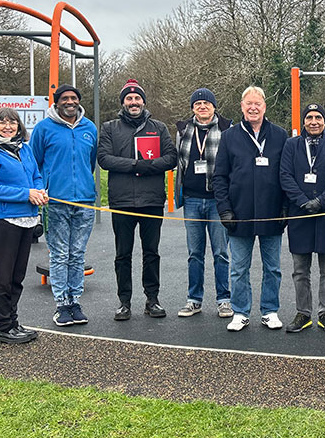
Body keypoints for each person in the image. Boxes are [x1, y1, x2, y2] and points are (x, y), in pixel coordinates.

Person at [97, 79, 177, 321]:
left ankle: (152, 299)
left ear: (144, 101)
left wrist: (148, 165)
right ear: (123, 102)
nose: (134, 102)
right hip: (122, 201)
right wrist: (135, 165)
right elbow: (104, 158)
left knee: (151, 252)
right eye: (129, 98)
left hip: (152, 200)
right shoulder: (110, 127)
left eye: (137, 98)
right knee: (123, 254)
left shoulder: (159, 127)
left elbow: (171, 158)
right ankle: (124, 302)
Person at [214, 86, 288, 332]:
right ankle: (240, 312)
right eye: (249, 103)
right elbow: (220, 177)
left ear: (265, 106)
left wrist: (285, 208)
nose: (253, 107)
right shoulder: (230, 136)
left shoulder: (280, 135)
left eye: (257, 103)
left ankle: (270, 310)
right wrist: (224, 209)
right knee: (238, 269)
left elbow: (287, 175)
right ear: (242, 106)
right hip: (240, 214)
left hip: (271, 212)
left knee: (273, 268)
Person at [0, 108, 47, 343]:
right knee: (3, 277)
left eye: (13, 122)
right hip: (3, 222)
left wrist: (38, 191)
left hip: (27, 220)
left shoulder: (24, 150)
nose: (8, 127)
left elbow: (36, 175)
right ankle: (2, 327)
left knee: (17, 277)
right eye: (3, 122)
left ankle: (13, 321)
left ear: (19, 125)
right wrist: (25, 194)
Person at [30, 84, 98, 327]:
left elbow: (89, 162)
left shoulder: (89, 128)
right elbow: (34, 162)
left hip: (85, 202)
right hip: (56, 202)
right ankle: (61, 305)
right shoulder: (44, 128)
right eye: (65, 98)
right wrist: (43, 189)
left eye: (74, 98)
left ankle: (75, 301)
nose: (70, 102)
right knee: (60, 255)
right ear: (56, 102)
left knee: (77, 254)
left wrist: (84, 186)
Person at [279, 103, 325, 333]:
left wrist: (322, 201)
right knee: (300, 270)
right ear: (303, 121)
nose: (314, 121)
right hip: (300, 214)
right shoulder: (291, 145)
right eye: (309, 117)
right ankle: (303, 313)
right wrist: (301, 200)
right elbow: (285, 175)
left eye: (318, 117)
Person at [174, 88, 234, 319]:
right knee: (194, 254)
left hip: (217, 201)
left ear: (214, 107)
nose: (202, 107)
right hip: (191, 199)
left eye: (206, 103)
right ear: (192, 108)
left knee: (221, 252)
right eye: (197, 103)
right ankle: (194, 299)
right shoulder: (183, 130)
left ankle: (224, 300)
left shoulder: (227, 129)